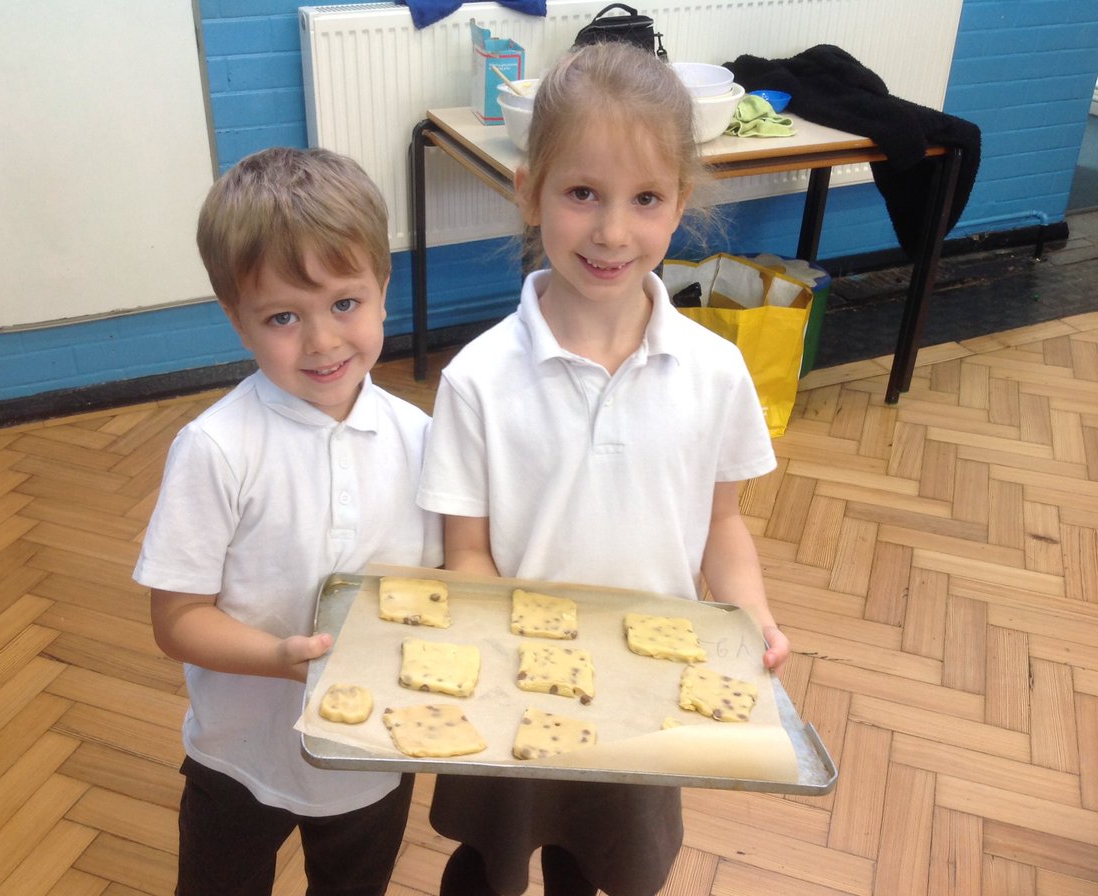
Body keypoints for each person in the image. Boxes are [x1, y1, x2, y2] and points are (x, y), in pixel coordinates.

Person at [415, 42, 791, 896]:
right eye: (583, 193)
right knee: (490, 864)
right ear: (528, 190)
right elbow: (465, 554)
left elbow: (722, 524)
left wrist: (751, 617)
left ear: (680, 205)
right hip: (517, 690)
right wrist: (502, 656)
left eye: (645, 199)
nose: (613, 231)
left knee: (606, 867)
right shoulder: (477, 377)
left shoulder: (715, 370)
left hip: (647, 693)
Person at [134, 146, 442, 896]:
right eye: (282, 316)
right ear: (236, 320)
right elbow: (177, 620)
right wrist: (282, 658)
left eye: (345, 303)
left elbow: (440, 589)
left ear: (383, 288)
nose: (323, 341)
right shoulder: (215, 449)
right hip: (238, 752)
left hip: (369, 754)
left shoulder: (423, 438)